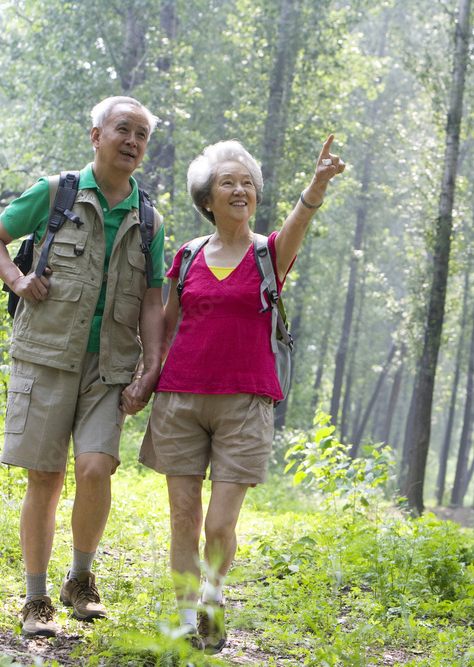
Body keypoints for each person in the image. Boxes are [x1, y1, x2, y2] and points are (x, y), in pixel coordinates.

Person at [139, 136, 345, 653]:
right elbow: (166, 326)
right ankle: (188, 617)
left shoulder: (268, 254)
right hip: (180, 398)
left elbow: (299, 221)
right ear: (206, 199)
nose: (240, 189)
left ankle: (213, 595)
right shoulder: (186, 257)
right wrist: (147, 377)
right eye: (227, 182)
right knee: (184, 519)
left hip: (247, 401)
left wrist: (316, 185)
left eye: (247, 183)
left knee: (219, 522)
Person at [0, 96, 165, 638]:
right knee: (46, 476)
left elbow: (153, 298)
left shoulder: (148, 217)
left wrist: (152, 364)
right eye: (123, 130)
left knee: (95, 467)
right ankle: (36, 599)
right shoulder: (56, 193)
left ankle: (80, 579)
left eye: (142, 136)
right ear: (96, 135)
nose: (132, 142)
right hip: (46, 356)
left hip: (110, 366)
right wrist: (17, 279)